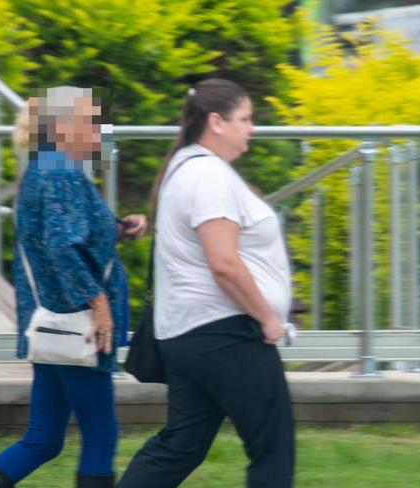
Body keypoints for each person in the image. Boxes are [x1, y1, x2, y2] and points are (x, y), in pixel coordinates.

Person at [0, 87, 147, 488]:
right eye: (93, 122)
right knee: (100, 434)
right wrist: (98, 304)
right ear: (62, 127)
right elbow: (61, 246)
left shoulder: (43, 169)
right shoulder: (61, 174)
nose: (102, 130)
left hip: (52, 325)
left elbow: (67, 236)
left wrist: (119, 229)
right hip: (77, 325)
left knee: (43, 439)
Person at [117, 79, 295, 488]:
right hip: (224, 333)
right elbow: (224, 264)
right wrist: (268, 318)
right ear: (216, 122)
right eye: (245, 119)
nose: (252, 128)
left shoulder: (186, 168)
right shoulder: (208, 176)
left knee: (180, 446)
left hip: (189, 334)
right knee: (273, 447)